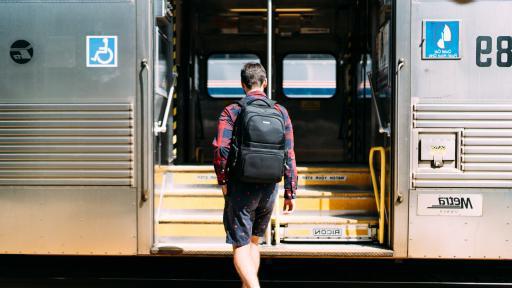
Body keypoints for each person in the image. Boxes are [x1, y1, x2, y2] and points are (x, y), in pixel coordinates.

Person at [213, 63, 297, 288]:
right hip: (269, 187)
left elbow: (221, 148)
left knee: (240, 245)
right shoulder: (281, 111)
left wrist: (222, 180)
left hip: (241, 186)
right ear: (265, 83)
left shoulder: (233, 111)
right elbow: (288, 154)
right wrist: (290, 191)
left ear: (242, 85)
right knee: (253, 243)